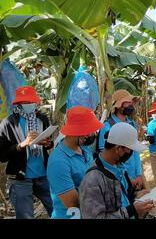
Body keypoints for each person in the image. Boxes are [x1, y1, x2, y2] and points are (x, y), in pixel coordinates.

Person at [79, 123, 154, 219]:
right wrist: (132, 210)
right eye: (130, 150)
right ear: (118, 149)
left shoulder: (119, 168)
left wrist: (136, 196)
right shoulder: (92, 181)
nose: (131, 154)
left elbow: (120, 200)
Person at [0, 86, 53, 218]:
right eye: (24, 102)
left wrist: (47, 144)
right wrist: (22, 145)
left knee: (57, 209)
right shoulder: (8, 123)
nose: (28, 105)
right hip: (21, 178)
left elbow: (48, 142)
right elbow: (2, 155)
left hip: (43, 175)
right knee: (25, 216)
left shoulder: (42, 119)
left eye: (30, 102)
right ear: (18, 104)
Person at [47, 106, 103, 219]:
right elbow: (73, 203)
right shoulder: (58, 162)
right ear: (75, 131)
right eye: (88, 131)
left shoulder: (84, 149)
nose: (92, 134)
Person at [98, 89, 144, 190]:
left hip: (133, 177)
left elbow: (135, 152)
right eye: (128, 102)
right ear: (119, 106)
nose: (131, 104)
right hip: (117, 178)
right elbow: (105, 155)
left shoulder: (132, 124)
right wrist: (125, 178)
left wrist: (139, 174)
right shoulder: (107, 126)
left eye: (132, 102)